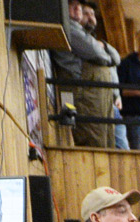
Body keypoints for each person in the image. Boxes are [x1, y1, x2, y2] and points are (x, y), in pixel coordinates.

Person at [50, 0, 120, 149]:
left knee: (107, 139)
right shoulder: (68, 27)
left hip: (96, 93)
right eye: (72, 5)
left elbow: (116, 58)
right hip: (84, 93)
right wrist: (105, 56)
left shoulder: (79, 30)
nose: (77, 9)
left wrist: (104, 49)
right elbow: (97, 54)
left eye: (79, 6)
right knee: (93, 139)